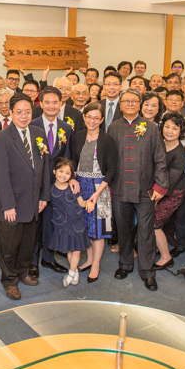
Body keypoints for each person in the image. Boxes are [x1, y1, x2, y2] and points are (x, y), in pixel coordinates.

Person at [0, 93, 51, 300]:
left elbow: (44, 167)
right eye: (19, 112)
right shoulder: (2, 138)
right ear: (10, 112)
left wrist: (44, 195)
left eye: (27, 112)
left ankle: (23, 271)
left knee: (28, 243)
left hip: (34, 201)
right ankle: (10, 280)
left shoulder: (38, 133)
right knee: (9, 245)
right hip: (12, 203)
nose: (24, 116)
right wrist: (8, 205)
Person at [109, 90, 168, 290]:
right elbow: (108, 160)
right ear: (121, 104)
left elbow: (160, 158)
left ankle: (147, 271)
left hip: (146, 189)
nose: (131, 103)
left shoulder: (150, 127)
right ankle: (125, 264)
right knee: (123, 229)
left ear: (140, 104)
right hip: (120, 187)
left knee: (146, 232)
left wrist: (160, 186)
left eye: (135, 101)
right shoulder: (113, 127)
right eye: (127, 101)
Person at [68, 102, 116, 283]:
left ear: (102, 120)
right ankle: (88, 259)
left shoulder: (106, 140)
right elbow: (72, 160)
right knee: (86, 226)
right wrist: (72, 178)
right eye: (89, 117)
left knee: (99, 229)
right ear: (84, 118)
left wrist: (97, 193)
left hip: (99, 187)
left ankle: (95, 264)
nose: (92, 121)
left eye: (97, 118)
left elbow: (111, 169)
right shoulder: (78, 136)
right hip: (80, 186)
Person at [30, 86, 73, 275]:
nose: (51, 105)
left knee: (51, 222)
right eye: (47, 102)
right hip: (34, 183)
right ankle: (31, 262)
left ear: (61, 103)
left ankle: (48, 258)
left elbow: (68, 156)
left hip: (56, 185)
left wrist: (67, 179)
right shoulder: (31, 125)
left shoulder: (65, 128)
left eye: (55, 102)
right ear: (41, 103)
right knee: (34, 223)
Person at [45, 158, 91, 286]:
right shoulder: (50, 189)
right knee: (69, 251)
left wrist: (89, 203)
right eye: (61, 171)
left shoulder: (73, 187)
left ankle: (70, 275)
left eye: (67, 173)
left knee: (76, 251)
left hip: (77, 224)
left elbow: (81, 202)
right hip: (62, 226)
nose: (63, 175)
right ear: (54, 171)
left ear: (71, 175)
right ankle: (75, 270)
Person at [153, 112, 185, 270]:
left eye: (174, 128)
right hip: (157, 188)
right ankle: (155, 247)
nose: (169, 131)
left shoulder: (180, 153)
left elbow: (170, 180)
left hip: (172, 192)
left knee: (154, 223)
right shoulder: (159, 143)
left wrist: (155, 197)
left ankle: (166, 257)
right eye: (167, 127)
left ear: (181, 131)